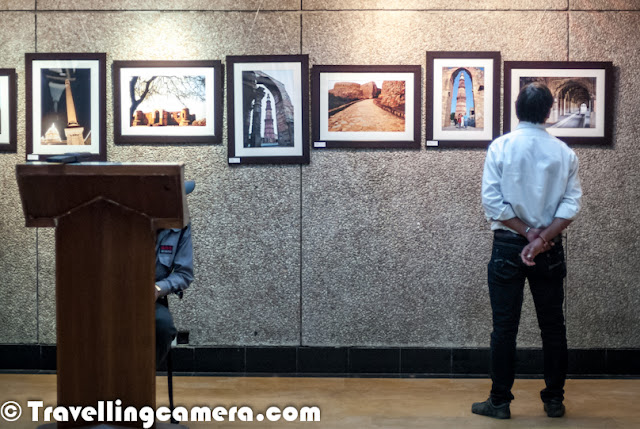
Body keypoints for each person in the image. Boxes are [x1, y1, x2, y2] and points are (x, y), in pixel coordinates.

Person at [473, 82, 582, 419]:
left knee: (504, 327)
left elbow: (492, 202)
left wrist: (525, 233)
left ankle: (499, 401)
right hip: (549, 249)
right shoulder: (564, 152)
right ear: (549, 112)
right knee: (553, 326)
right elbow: (572, 203)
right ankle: (553, 400)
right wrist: (541, 239)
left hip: (507, 246)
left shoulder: (500, 147)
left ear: (517, 108)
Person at [155, 180, 195, 369]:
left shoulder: (181, 226)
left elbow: (184, 274)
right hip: (116, 292)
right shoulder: (128, 220)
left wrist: (158, 288)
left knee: (164, 328)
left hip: (151, 297)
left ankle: (141, 381)